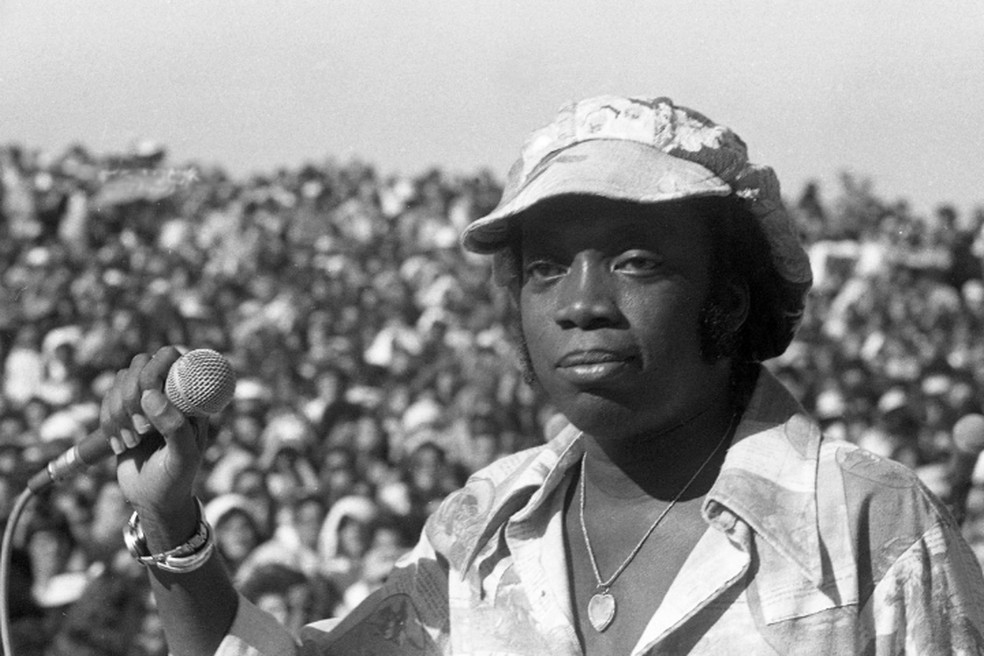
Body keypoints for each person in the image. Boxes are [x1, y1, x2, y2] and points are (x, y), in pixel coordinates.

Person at [101, 95, 984, 655]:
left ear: (731, 295)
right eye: (544, 268)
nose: (582, 303)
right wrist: (171, 520)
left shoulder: (868, 526)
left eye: (638, 262)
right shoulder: (481, 530)